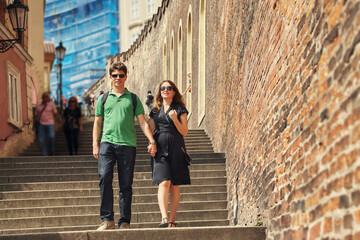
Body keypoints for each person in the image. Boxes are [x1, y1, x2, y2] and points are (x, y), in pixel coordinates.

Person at [92, 62, 157, 230]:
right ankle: (107, 220)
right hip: (107, 143)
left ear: (126, 77)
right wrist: (95, 144)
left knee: (125, 184)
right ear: (110, 77)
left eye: (121, 75)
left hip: (128, 145)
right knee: (104, 177)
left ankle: (124, 221)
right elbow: (97, 123)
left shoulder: (133, 98)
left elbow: (142, 122)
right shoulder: (103, 98)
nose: (118, 78)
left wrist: (151, 140)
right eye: (115, 75)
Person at [149, 80, 191, 228]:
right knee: (164, 181)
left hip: (176, 147)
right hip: (160, 148)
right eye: (163, 88)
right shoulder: (154, 111)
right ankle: (164, 218)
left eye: (169, 88)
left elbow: (184, 131)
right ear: (160, 91)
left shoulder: (180, 109)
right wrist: (151, 143)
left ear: (174, 92)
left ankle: (172, 220)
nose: (165, 90)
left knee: (174, 185)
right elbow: (151, 132)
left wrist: (174, 119)